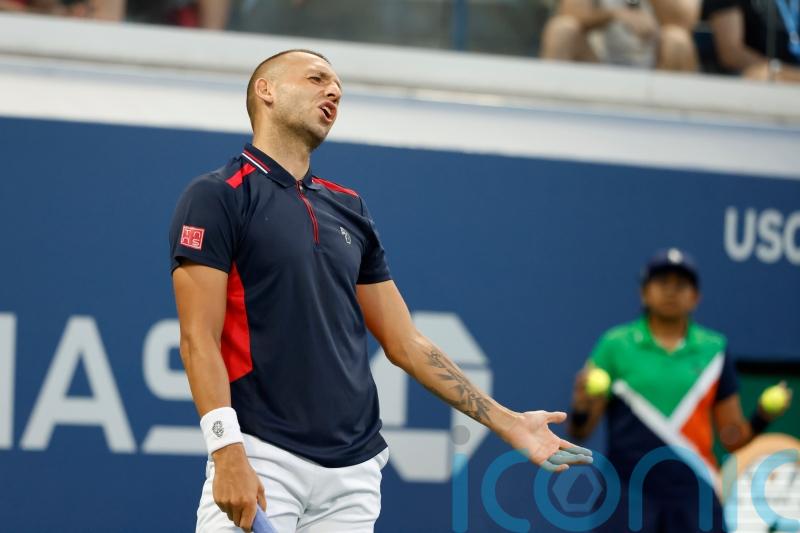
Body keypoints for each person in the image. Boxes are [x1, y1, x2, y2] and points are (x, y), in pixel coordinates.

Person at [169, 49, 593, 532]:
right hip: (262, 456)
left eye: (338, 86)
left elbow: (405, 342)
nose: (334, 91)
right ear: (265, 90)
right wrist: (226, 449)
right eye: (316, 78)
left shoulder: (349, 207)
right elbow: (198, 339)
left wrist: (508, 421)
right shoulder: (217, 195)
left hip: (353, 474)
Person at [569, 248, 792, 532]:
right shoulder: (615, 345)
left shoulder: (714, 349)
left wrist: (762, 416)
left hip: (693, 492)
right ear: (644, 293)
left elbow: (732, 438)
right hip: (627, 493)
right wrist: (582, 405)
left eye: (681, 284)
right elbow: (580, 431)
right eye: (662, 282)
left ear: (695, 297)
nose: (671, 291)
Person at [540, 0, 699, 71]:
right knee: (561, 29)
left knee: (677, 40)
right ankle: (549, 115)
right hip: (598, 64)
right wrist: (614, 14)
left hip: (656, 67)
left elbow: (684, 22)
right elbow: (570, 12)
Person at [703, 0, 800, 82]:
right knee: (758, 75)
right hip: (756, 79)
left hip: (786, 76)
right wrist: (777, 70)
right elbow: (731, 53)